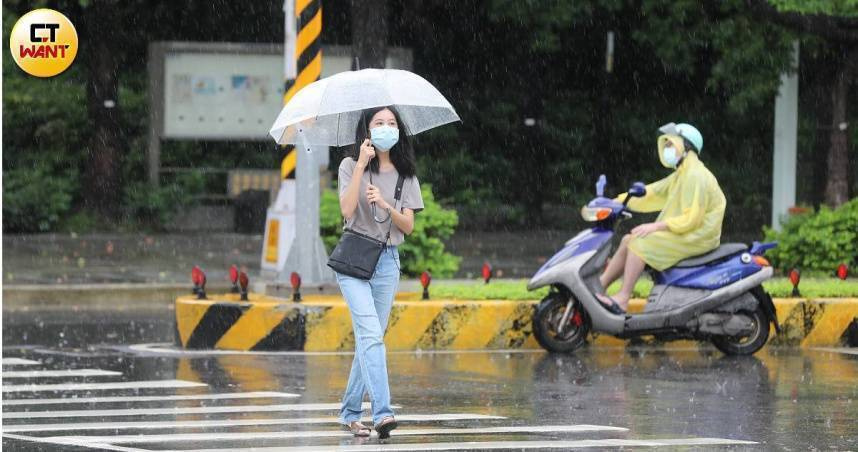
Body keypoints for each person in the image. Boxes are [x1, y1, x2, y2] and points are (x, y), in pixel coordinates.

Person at [335, 106, 424, 438]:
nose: (386, 128)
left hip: (388, 262)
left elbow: (409, 226)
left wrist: (386, 205)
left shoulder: (406, 173)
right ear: (367, 130)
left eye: (391, 123)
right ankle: (383, 414)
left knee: (369, 340)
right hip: (355, 260)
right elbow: (346, 211)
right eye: (379, 123)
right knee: (371, 336)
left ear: (399, 130)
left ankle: (349, 412)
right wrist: (360, 163)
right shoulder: (349, 165)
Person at [596, 122, 726, 314]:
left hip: (698, 236)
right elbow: (652, 193)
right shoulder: (681, 174)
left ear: (686, 147)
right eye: (665, 146)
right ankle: (599, 287)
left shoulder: (696, 175)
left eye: (670, 144)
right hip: (689, 232)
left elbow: (692, 218)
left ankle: (623, 298)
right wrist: (615, 202)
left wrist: (656, 227)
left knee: (640, 242)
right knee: (627, 239)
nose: (666, 149)